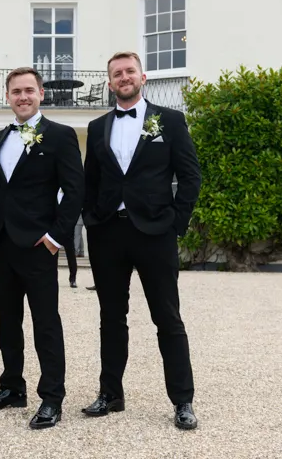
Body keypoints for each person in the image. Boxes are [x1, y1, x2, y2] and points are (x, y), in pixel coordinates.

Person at [80, 52, 202, 430]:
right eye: (116, 73)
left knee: (167, 318)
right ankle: (111, 394)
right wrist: (92, 222)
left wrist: (175, 224)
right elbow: (90, 182)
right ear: (110, 82)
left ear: (142, 77)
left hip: (155, 233)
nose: (123, 77)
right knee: (111, 318)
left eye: (129, 71)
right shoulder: (98, 125)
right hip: (108, 234)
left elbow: (191, 176)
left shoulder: (170, 121)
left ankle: (182, 401)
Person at [0, 67, 83, 430]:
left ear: (41, 94)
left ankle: (52, 397)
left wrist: (55, 237)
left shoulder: (61, 136)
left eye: (29, 90)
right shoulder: (0, 138)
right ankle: (11, 387)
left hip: (38, 245)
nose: (23, 97)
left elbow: (74, 191)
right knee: (8, 322)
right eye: (16, 91)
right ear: (8, 97)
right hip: (3, 243)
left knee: (45, 323)